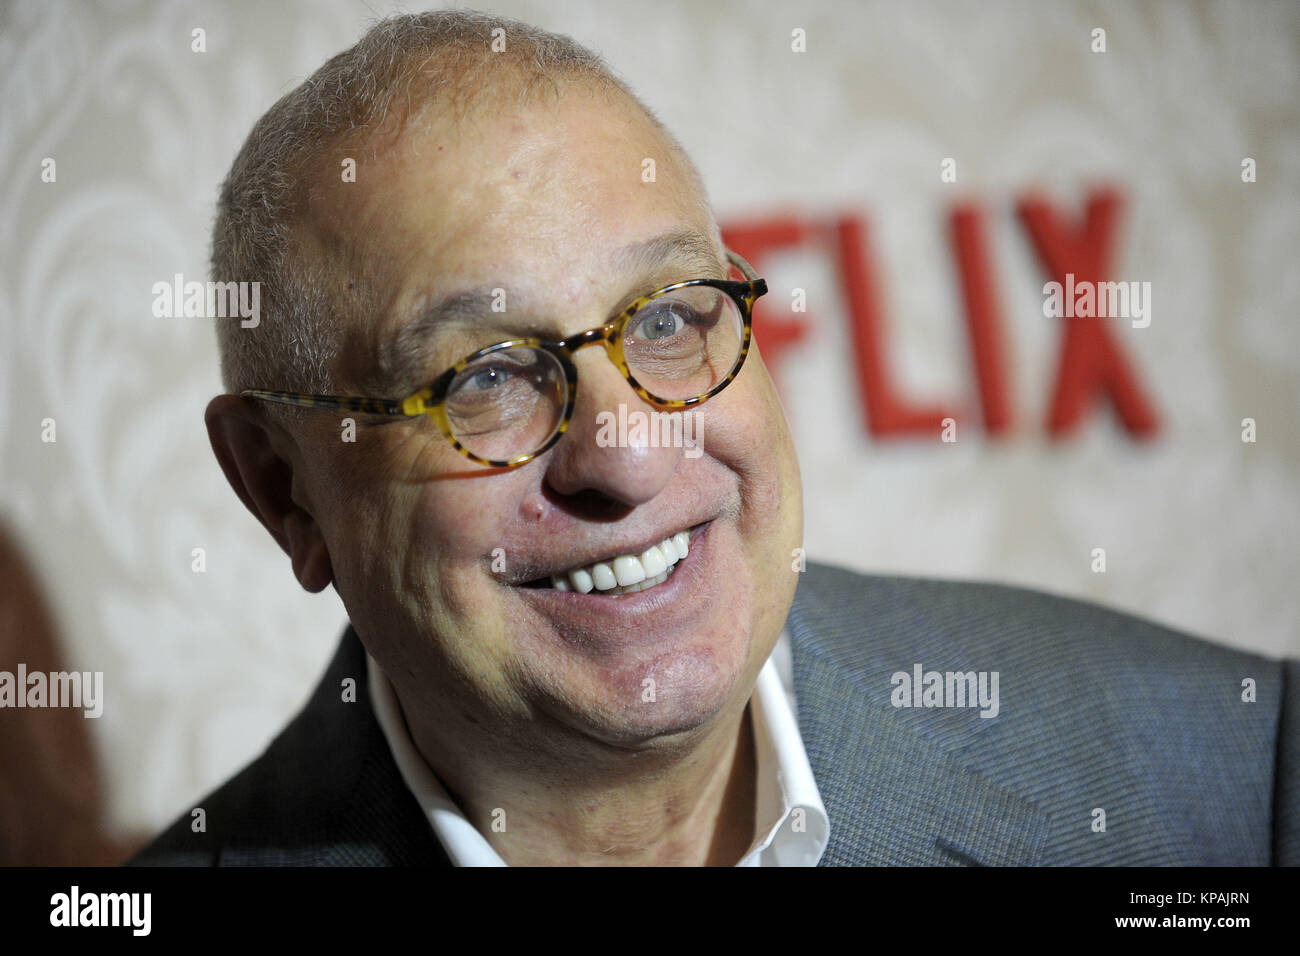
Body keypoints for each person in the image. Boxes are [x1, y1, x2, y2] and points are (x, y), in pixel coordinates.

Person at [130, 10, 1298, 867]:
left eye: (672, 318)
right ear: (283, 488)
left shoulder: (1231, 778)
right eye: (484, 375)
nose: (627, 454)